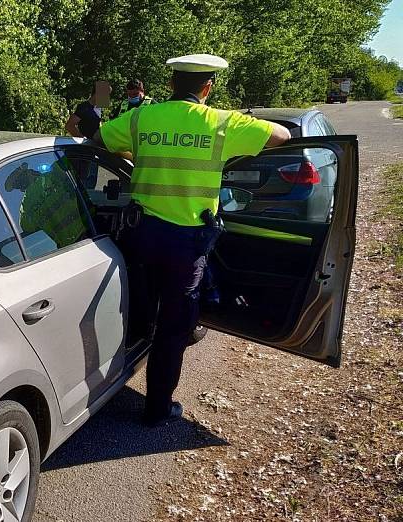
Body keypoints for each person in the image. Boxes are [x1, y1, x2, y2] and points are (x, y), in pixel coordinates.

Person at [92, 54, 291, 425]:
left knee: (135, 307)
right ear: (208, 87)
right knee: (174, 326)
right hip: (186, 244)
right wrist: (240, 120)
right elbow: (284, 136)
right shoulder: (221, 123)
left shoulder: (141, 118)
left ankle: (108, 380)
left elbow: (96, 140)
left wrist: (136, 151)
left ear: (170, 85)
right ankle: (156, 409)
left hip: (141, 234)